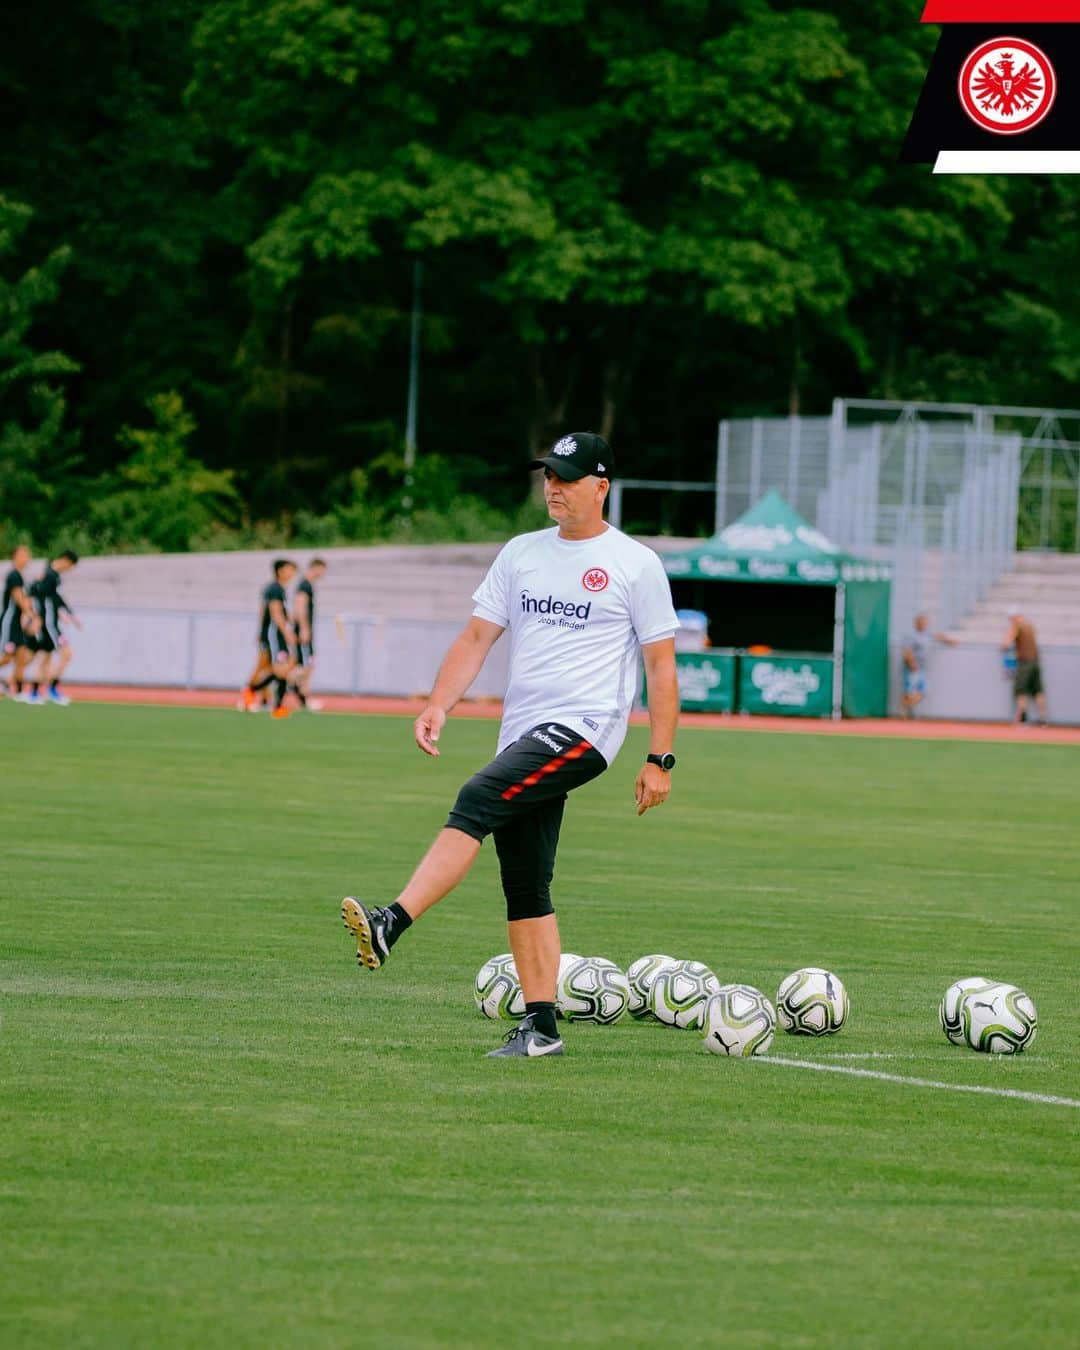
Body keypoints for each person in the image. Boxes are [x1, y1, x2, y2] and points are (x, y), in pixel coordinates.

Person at [340, 432, 680, 1059]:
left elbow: (661, 667)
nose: (553, 487)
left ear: (600, 487)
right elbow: (475, 639)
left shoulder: (636, 564)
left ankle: (392, 921)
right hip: (524, 732)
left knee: (478, 794)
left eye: (567, 478)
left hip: (585, 730)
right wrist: (439, 703)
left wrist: (659, 758)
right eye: (548, 475)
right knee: (525, 883)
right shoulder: (521, 553)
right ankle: (542, 1029)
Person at [22, 550, 81, 705]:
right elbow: (34, 591)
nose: (68, 569)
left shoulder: (52, 575)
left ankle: (36, 692)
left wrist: (65, 615)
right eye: (70, 566)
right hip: (48, 625)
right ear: (66, 561)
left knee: (45, 657)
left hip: (50, 622)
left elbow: (52, 598)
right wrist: (33, 617)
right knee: (66, 654)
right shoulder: (50, 576)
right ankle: (50, 688)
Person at [241, 559, 297, 718]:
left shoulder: (277, 589)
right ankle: (258, 695)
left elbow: (267, 612)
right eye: (289, 569)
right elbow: (275, 613)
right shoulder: (275, 589)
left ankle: (263, 699)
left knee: (268, 668)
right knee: (281, 669)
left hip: (272, 633)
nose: (292, 573)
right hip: (275, 635)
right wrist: (287, 633)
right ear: (280, 571)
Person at [0, 544, 40, 696]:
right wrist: (32, 617)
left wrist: (29, 617)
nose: (27, 558)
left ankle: (17, 691)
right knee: (8, 657)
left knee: (22, 655)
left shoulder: (21, 577)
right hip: (9, 622)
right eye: (24, 554)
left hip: (16, 623)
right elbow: (18, 599)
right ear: (16, 556)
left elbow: (27, 600)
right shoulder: (13, 576)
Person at [900, 612, 957, 718]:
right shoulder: (911, 635)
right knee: (910, 691)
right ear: (916, 623)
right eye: (921, 622)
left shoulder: (927, 635)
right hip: (913, 668)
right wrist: (912, 663)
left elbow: (939, 637)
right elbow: (906, 651)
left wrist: (950, 641)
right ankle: (904, 714)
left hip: (921, 668)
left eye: (925, 622)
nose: (924, 624)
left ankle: (906, 707)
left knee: (923, 691)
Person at [290, 557, 327, 710]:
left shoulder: (306, 584)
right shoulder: (305, 585)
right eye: (323, 569)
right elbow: (300, 607)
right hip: (303, 630)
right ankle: (286, 682)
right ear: (316, 567)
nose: (324, 573)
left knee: (305, 664)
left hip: (303, 629)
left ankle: (303, 698)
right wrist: (304, 628)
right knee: (307, 665)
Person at [1002, 609, 1047, 725]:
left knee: (1020, 689)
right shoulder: (1030, 625)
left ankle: (1022, 718)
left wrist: (1004, 645)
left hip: (1025, 662)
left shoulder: (1017, 626)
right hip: (1036, 662)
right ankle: (1042, 719)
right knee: (1038, 690)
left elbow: (1006, 644)